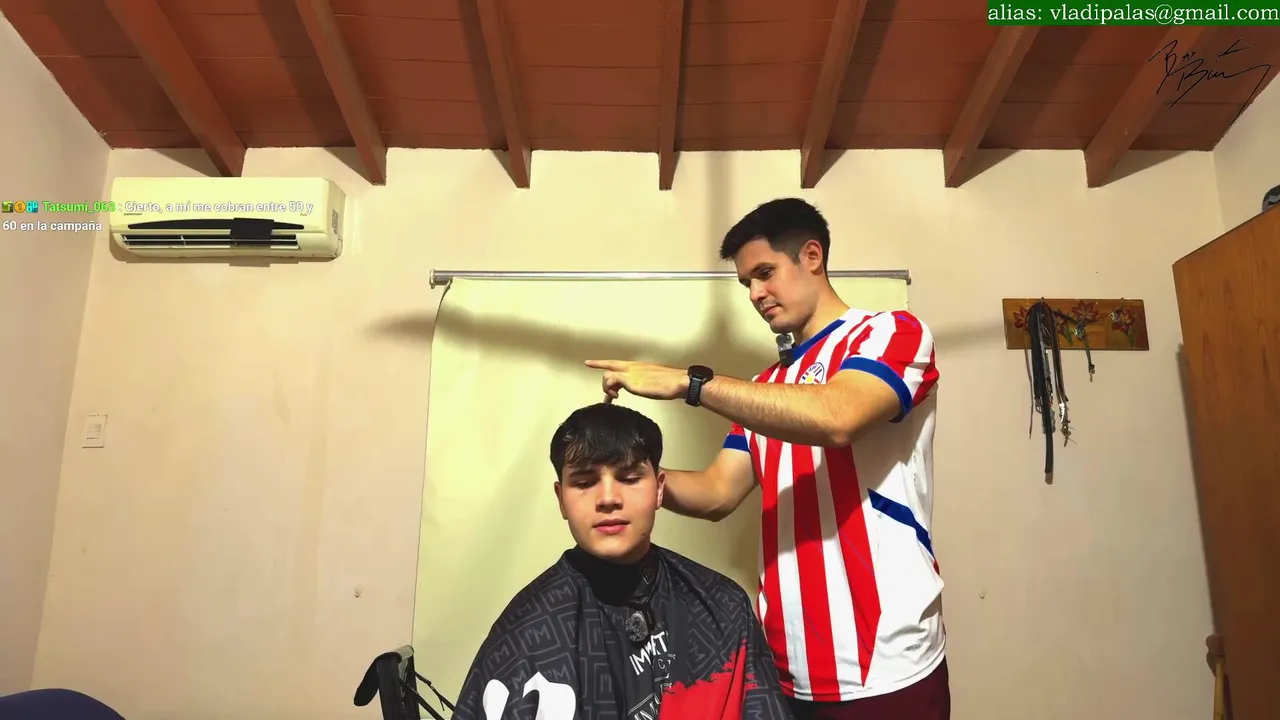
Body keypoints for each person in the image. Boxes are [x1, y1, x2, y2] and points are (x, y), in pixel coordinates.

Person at [584, 198, 948, 719]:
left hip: (887, 663)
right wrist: (626, 479)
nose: (755, 294)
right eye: (746, 283)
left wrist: (690, 383)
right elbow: (716, 493)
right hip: (784, 663)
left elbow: (839, 416)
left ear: (812, 256)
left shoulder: (891, 333)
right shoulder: (766, 386)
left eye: (764, 273)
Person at [451, 403, 794, 720]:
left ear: (659, 488)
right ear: (561, 499)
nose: (609, 498)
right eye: (585, 482)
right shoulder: (526, 633)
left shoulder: (723, 606)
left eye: (629, 479)